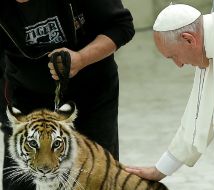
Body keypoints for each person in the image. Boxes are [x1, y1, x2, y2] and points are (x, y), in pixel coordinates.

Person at [0, 0, 134, 189]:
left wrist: (81, 58)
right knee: (17, 180)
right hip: (25, 92)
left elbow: (122, 26)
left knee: (96, 176)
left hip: (91, 88)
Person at [125, 3, 214, 190]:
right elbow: (199, 114)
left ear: (188, 39)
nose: (179, 64)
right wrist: (159, 170)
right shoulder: (210, 42)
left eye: (174, 56)